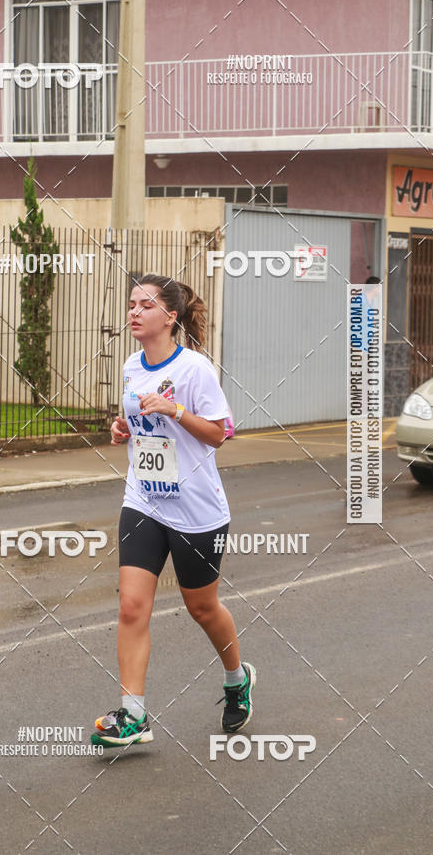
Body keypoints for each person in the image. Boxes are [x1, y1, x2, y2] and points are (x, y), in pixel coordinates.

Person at [91, 274, 255, 749]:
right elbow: (138, 423)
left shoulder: (195, 369)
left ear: (171, 316)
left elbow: (220, 433)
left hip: (196, 510)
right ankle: (133, 716)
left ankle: (236, 679)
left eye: (145, 305)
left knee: (201, 607)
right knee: (131, 605)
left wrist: (174, 410)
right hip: (143, 498)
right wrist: (124, 428)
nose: (134, 312)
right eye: (130, 304)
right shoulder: (129, 366)